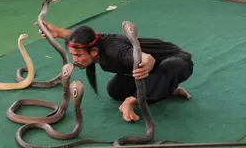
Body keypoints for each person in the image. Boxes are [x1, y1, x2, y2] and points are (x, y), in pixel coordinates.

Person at [36, 21, 193, 122]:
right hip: (149, 67)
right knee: (115, 91)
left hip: (175, 60)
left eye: (78, 55)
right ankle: (168, 88)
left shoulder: (115, 50)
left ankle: (131, 101)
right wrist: (58, 32)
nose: (75, 60)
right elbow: (82, 38)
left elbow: (147, 58)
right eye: (73, 55)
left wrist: (148, 64)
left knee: (172, 66)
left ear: (94, 52)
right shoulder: (94, 42)